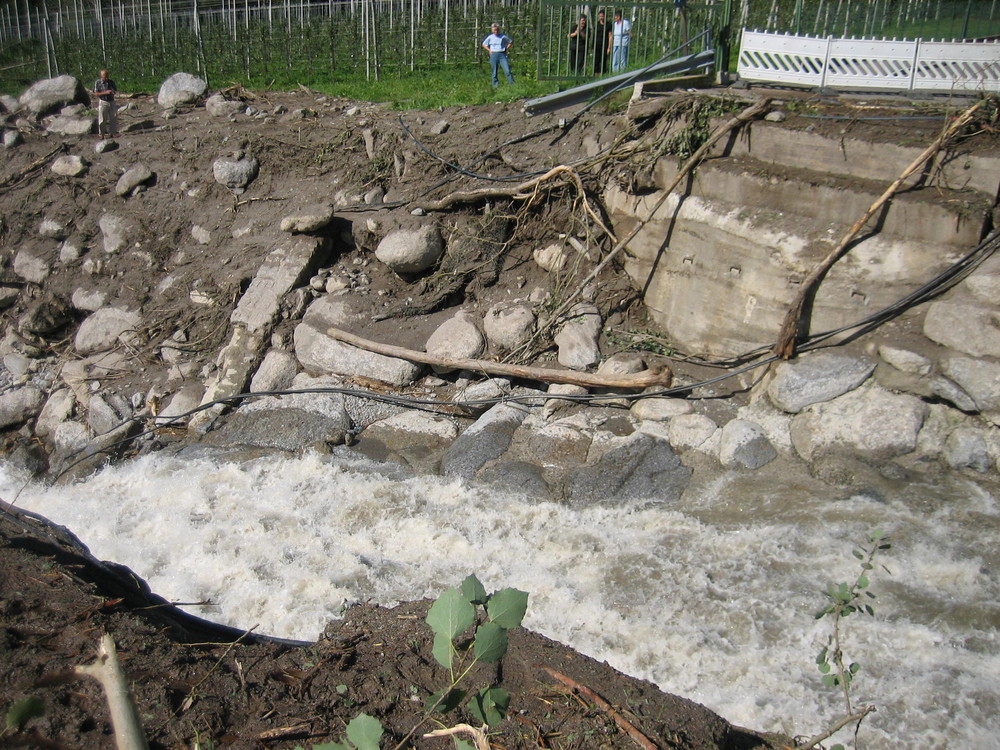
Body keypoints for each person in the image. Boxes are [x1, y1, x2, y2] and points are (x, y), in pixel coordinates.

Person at [481, 23, 514, 88]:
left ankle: (512, 84)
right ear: (492, 30)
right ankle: (495, 86)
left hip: (502, 54)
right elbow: (484, 44)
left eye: (497, 30)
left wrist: (506, 48)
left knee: (507, 70)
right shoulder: (490, 37)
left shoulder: (503, 36)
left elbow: (510, 42)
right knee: (494, 72)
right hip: (494, 54)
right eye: (494, 30)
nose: (496, 31)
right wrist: (489, 50)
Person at [93, 68, 118, 139]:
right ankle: (101, 134)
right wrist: (105, 92)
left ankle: (113, 133)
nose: (106, 77)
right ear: (101, 76)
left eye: (107, 75)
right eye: (105, 76)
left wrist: (112, 92)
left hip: (111, 101)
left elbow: (115, 90)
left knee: (113, 117)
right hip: (103, 101)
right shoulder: (97, 82)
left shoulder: (111, 82)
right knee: (102, 119)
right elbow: (96, 93)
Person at [593, 10, 609, 75]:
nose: (601, 18)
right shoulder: (596, 24)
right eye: (600, 16)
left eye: (602, 16)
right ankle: (596, 74)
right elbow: (594, 35)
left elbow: (610, 36)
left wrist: (609, 47)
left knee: (603, 60)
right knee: (596, 60)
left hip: (604, 45)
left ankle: (603, 73)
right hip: (597, 45)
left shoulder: (608, 25)